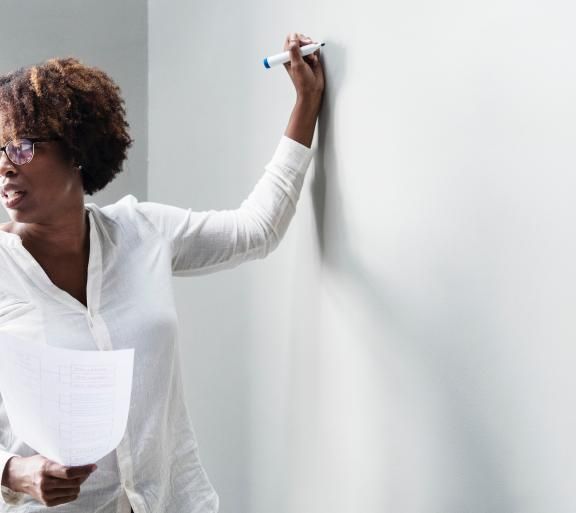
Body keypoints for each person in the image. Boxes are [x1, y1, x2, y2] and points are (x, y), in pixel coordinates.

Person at [0, 31, 324, 512]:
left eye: (20, 147)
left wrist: (306, 103)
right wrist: (14, 472)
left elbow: (255, 230)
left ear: (76, 149)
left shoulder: (141, 231)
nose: (5, 166)